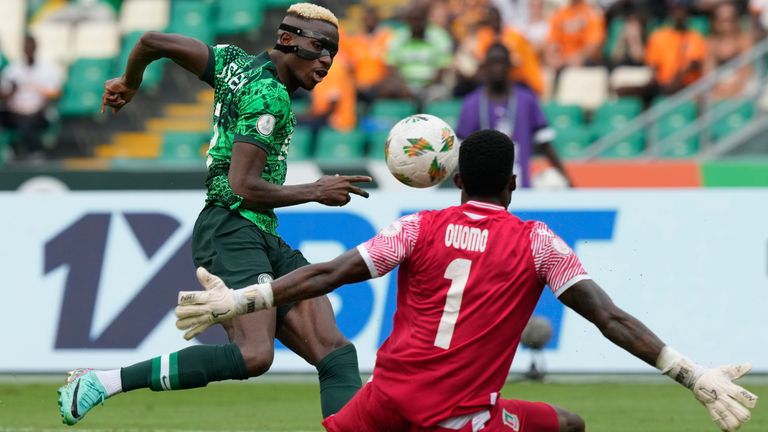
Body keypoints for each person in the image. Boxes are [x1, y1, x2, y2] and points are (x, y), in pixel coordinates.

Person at [175, 128, 758, 432]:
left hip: (385, 405)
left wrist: (245, 299)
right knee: (571, 424)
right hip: (459, 418)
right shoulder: (539, 243)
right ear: (511, 185)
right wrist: (690, 373)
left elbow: (327, 274)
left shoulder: (417, 228)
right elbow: (611, 319)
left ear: (455, 184)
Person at [57, 3, 369, 426]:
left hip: (257, 231)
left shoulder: (230, 61)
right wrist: (317, 190)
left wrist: (128, 82)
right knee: (254, 355)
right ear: (287, 40)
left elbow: (152, 42)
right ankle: (102, 381)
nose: (327, 61)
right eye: (319, 47)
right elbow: (242, 186)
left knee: (336, 354)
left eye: (332, 51)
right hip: (230, 227)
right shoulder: (268, 97)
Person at [456, 43, 572, 188]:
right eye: (493, 63)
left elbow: (546, 145)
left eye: (502, 62)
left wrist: (568, 179)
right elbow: (460, 150)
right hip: (483, 188)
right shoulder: (472, 103)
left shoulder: (527, 99)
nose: (497, 68)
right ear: (485, 66)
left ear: (510, 65)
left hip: (521, 184)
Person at [0, 35, 62, 160]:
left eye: (30, 46)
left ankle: (34, 153)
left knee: (27, 123)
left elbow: (55, 93)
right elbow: (3, 94)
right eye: (25, 47)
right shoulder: (13, 69)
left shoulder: (47, 69)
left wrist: (39, 106)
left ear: (35, 47)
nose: (28, 49)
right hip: (16, 112)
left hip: (39, 113)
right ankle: (11, 150)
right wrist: (12, 91)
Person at [644, 0, 707, 96]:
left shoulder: (695, 37)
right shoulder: (658, 36)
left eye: (682, 9)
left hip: (688, 87)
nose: (679, 13)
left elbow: (695, 64)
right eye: (675, 9)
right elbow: (653, 68)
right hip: (662, 87)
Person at [704, 1, 753, 100]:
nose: (727, 23)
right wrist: (718, 89)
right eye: (722, 20)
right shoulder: (711, 42)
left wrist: (734, 89)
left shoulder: (744, 39)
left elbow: (746, 69)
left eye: (730, 19)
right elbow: (708, 73)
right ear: (715, 21)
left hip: (742, 84)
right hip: (719, 85)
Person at [544, 0, 605, 72]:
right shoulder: (559, 14)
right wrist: (553, 58)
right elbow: (551, 43)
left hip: (584, 66)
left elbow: (592, 47)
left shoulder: (593, 14)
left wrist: (566, 61)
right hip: (561, 65)